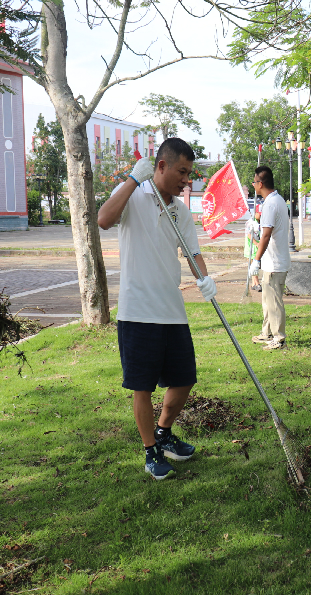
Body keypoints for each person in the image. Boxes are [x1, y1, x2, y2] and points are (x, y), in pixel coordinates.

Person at [97, 137, 217, 480]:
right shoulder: (134, 196)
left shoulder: (180, 209)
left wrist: (204, 279)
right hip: (138, 311)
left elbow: (194, 253)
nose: (186, 179)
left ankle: (164, 433)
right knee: (143, 387)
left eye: (190, 173)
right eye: (182, 171)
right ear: (160, 166)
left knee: (184, 380)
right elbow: (104, 219)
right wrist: (133, 179)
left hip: (171, 310)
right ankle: (151, 451)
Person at [249, 166, 291, 350]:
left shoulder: (271, 203)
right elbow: (265, 231)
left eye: (254, 181)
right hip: (274, 260)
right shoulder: (276, 200)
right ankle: (266, 333)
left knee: (273, 302)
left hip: (274, 262)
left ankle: (278, 337)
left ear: (260, 183)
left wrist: (255, 260)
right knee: (267, 300)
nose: (253, 185)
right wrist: (256, 227)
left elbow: (266, 235)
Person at [244, 203, 262, 291]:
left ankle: (254, 284)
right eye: (260, 214)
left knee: (255, 266)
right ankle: (257, 283)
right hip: (251, 248)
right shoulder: (250, 223)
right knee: (253, 265)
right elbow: (249, 235)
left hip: (258, 248)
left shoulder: (261, 222)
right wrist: (256, 243)